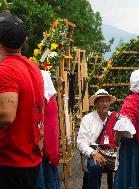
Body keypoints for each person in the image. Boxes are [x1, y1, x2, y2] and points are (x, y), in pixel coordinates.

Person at [0, 11, 45, 189]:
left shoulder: (5, 70)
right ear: (23, 41)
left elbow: (6, 116)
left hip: (9, 164)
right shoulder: (33, 68)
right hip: (29, 161)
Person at [77, 89, 117, 189]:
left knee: (125, 165)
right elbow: (81, 143)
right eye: (102, 101)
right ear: (95, 103)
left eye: (107, 101)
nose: (105, 103)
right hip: (93, 152)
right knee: (95, 167)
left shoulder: (114, 117)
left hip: (111, 154)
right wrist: (93, 153)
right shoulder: (88, 119)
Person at [35, 70, 60, 189]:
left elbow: (50, 128)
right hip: (46, 148)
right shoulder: (51, 101)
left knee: (43, 180)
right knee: (49, 179)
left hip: (42, 149)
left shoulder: (47, 102)